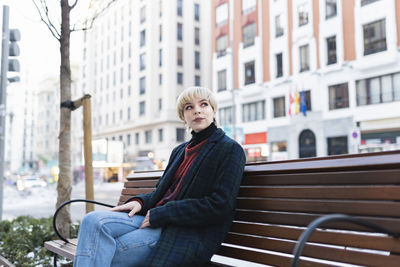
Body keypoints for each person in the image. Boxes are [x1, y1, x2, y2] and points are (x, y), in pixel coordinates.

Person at [74, 87, 246, 266]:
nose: (197, 110)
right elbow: (164, 193)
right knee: (91, 221)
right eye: (189, 107)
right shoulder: (179, 151)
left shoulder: (230, 149)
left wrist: (163, 213)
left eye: (204, 104)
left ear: (214, 110)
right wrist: (140, 202)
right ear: (183, 116)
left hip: (184, 231)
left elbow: (220, 205)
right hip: (154, 218)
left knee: (101, 251)